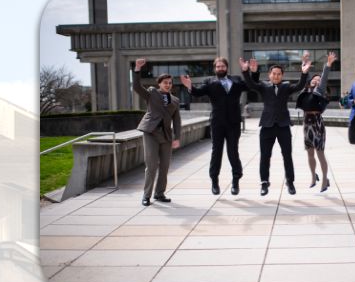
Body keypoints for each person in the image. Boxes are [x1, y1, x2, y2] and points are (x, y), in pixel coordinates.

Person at [242, 56, 312, 195]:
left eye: (279, 74)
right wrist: (246, 72)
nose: (276, 76)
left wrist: (304, 73)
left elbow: (299, 86)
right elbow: (251, 85)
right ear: (269, 75)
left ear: (282, 76)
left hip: (283, 126)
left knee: (287, 155)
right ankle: (264, 183)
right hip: (267, 126)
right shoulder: (263, 86)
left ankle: (290, 182)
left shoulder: (286, 86)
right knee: (265, 156)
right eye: (274, 73)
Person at [183, 57, 247, 195]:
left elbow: (251, 85)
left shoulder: (236, 80)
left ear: (226, 67)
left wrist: (249, 71)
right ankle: (214, 182)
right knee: (216, 152)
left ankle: (235, 181)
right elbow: (198, 92)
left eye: (222, 66)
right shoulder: (209, 82)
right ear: (214, 69)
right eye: (217, 67)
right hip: (217, 123)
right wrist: (189, 86)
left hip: (233, 123)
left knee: (233, 152)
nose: (220, 69)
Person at [131, 58, 182, 207]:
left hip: (166, 135)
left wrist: (177, 137)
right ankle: (146, 195)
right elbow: (136, 86)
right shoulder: (152, 94)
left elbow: (177, 120)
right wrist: (137, 70)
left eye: (170, 83)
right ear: (159, 84)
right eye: (165, 82)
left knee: (165, 166)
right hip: (151, 132)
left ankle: (159, 193)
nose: (168, 85)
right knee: (152, 165)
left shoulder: (175, 100)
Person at [297, 52, 336, 192]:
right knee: (310, 153)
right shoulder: (306, 90)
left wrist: (328, 64)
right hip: (307, 124)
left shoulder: (319, 91)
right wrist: (304, 62)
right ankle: (314, 176)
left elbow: (324, 78)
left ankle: (325, 179)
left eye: (319, 79)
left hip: (317, 124)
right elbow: (305, 74)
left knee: (320, 153)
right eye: (314, 78)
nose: (316, 80)